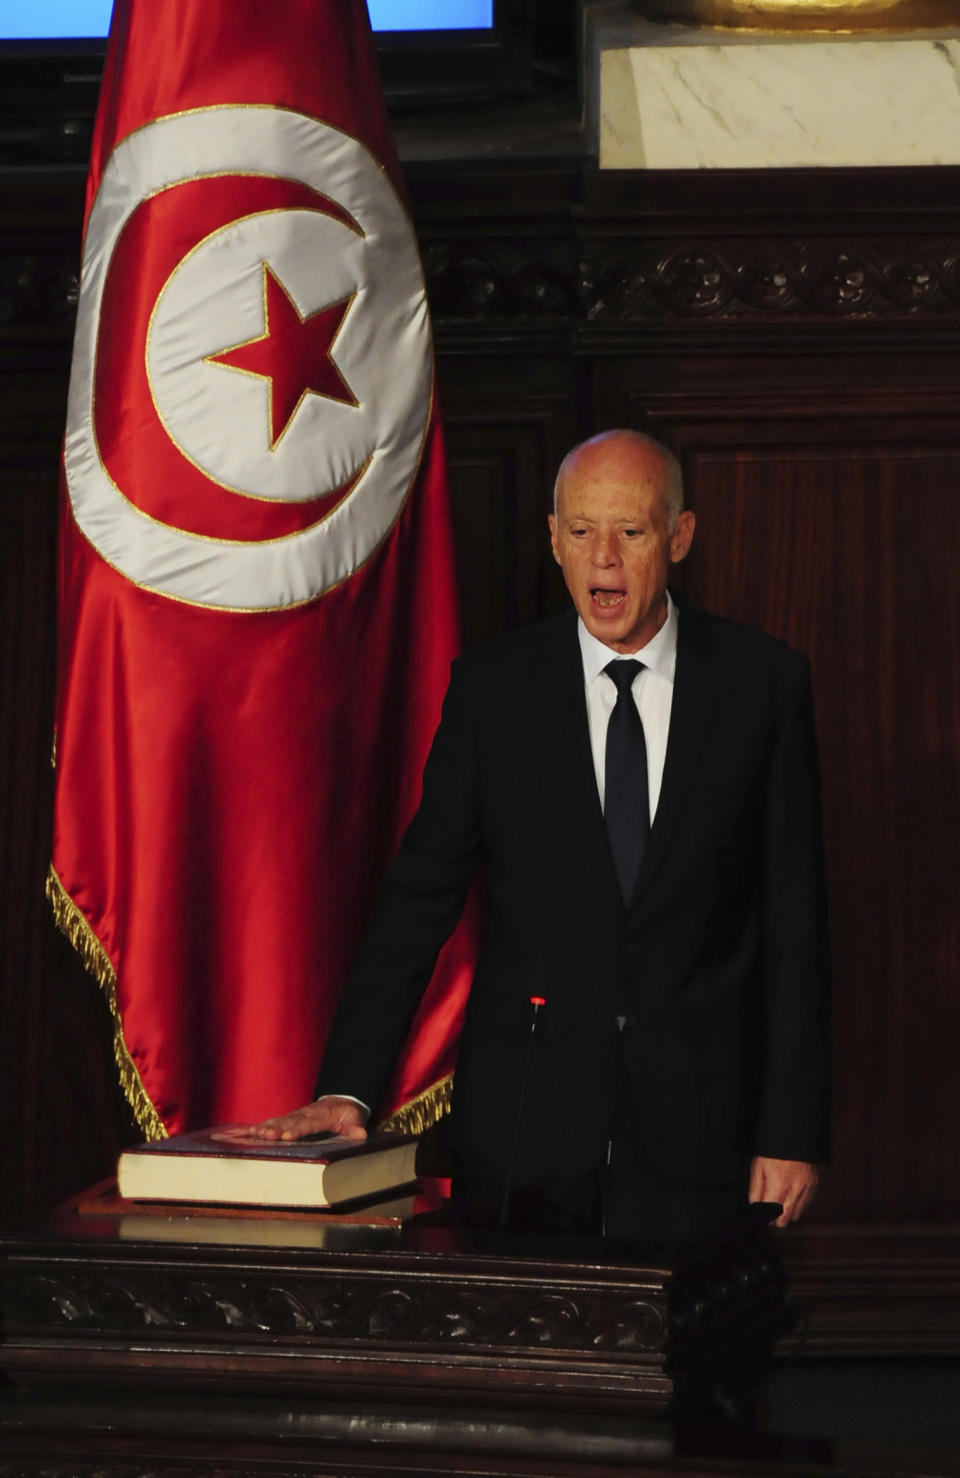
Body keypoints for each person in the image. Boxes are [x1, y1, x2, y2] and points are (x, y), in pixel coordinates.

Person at [248, 429, 828, 1242]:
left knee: (694, 1362)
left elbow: (795, 929)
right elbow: (420, 898)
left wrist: (790, 1132)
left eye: (630, 532)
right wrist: (349, 1089)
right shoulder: (494, 690)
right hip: (526, 1139)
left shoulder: (761, 687)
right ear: (553, 539)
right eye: (582, 531)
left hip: (705, 1138)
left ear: (680, 536)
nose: (605, 561)